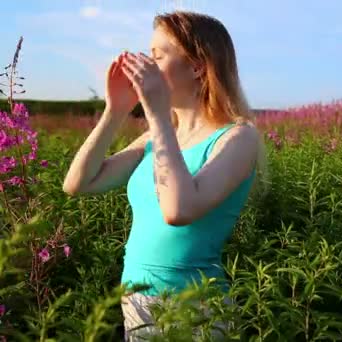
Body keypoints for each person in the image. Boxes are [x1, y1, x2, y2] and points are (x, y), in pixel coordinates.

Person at [62, 10, 268, 341]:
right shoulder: (156, 138)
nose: (147, 65)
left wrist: (156, 113)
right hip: (137, 300)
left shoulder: (237, 138)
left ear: (198, 66)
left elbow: (177, 211)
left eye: (157, 56)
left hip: (193, 306)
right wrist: (115, 111)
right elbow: (78, 183)